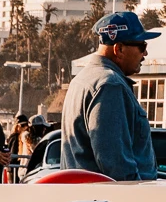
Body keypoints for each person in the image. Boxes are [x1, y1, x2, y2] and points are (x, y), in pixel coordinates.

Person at [62, 10, 158, 181]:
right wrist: (139, 196)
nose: (145, 54)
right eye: (142, 46)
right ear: (119, 49)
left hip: (89, 199)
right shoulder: (109, 85)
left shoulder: (83, 79)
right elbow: (116, 163)